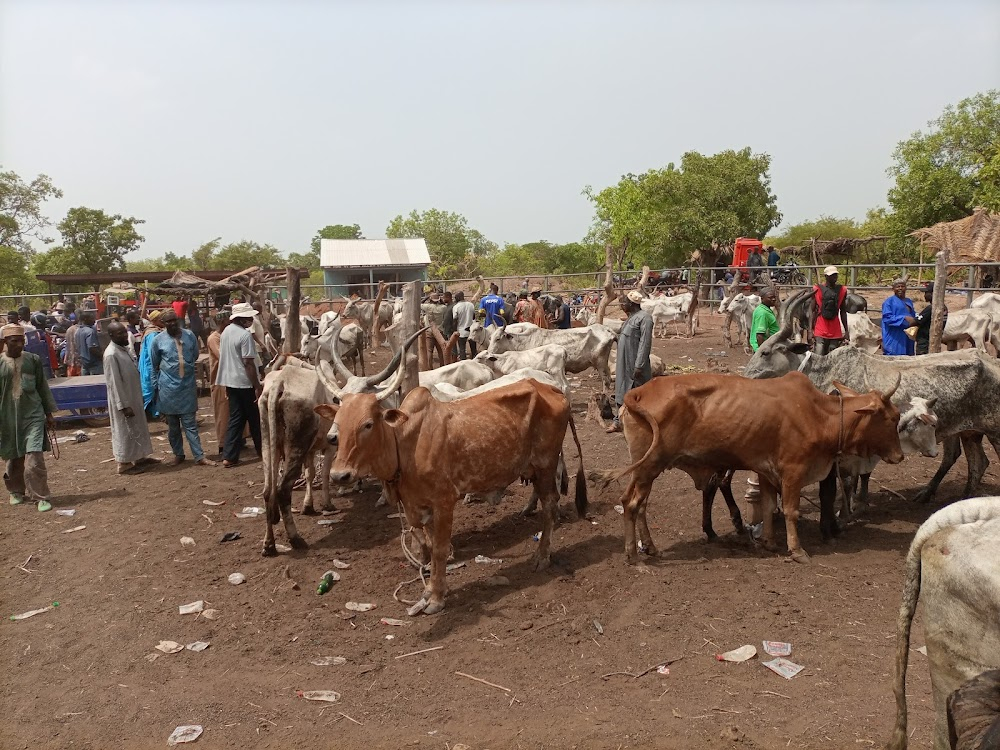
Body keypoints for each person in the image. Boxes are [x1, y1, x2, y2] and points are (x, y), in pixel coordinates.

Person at [0, 324, 57, 512]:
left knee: (35, 458)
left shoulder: (33, 360)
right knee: (13, 456)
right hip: (7, 416)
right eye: (14, 341)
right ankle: (16, 491)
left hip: (32, 413)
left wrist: (48, 413)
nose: (19, 344)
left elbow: (42, 387)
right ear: (5, 342)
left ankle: (40, 496)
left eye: (21, 340)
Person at [149, 310, 216, 467]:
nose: (172, 324)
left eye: (174, 320)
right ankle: (178, 454)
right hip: (167, 388)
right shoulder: (158, 341)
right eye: (168, 322)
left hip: (187, 387)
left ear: (178, 320)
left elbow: (193, 356)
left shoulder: (190, 336)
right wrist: (155, 388)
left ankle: (199, 456)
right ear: (163, 324)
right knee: (173, 427)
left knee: (190, 424)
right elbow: (154, 365)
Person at [103, 321, 158, 475]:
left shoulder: (123, 349)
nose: (124, 335)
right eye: (119, 333)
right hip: (124, 400)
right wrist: (123, 405)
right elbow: (114, 383)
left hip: (133, 396)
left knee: (138, 427)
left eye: (124, 331)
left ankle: (140, 457)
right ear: (112, 336)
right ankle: (124, 463)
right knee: (125, 431)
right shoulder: (111, 354)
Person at [217, 302, 263, 468]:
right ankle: (263, 451)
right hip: (244, 383)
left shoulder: (225, 332)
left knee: (236, 419)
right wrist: (257, 386)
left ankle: (229, 456)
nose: (251, 319)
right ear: (242, 319)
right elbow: (249, 364)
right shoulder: (244, 336)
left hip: (230, 382)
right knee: (255, 419)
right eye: (249, 317)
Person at [607, 290, 653, 434]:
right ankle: (618, 421)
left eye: (625, 303)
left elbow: (645, 343)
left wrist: (639, 364)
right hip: (623, 361)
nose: (622, 305)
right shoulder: (630, 318)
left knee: (639, 391)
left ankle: (643, 422)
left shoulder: (645, 318)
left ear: (632, 304)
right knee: (621, 388)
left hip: (634, 362)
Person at [812, 266, 850, 354]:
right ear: (826, 276)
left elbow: (843, 311)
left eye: (835, 275)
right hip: (820, 328)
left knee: (832, 357)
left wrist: (846, 331)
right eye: (832, 275)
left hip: (835, 329)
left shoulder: (842, 290)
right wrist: (810, 330)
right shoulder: (817, 289)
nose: (834, 277)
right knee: (818, 356)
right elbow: (812, 310)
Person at [882, 278, 917, 356]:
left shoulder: (909, 301)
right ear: (893, 289)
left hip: (907, 334)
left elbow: (913, 314)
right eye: (898, 287)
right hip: (894, 335)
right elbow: (887, 318)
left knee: (908, 357)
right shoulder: (889, 302)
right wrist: (903, 318)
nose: (900, 288)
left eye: (902, 286)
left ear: (906, 288)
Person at [139, 310, 164, 416]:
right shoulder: (152, 334)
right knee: (151, 389)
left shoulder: (152, 331)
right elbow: (152, 354)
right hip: (150, 366)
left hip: (149, 365)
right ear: (156, 320)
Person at [913, 282, 948, 356]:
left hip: (925, 341)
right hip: (935, 340)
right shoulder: (943, 307)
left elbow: (916, 321)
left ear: (933, 293)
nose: (925, 295)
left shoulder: (931, 308)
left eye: (927, 292)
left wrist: (906, 319)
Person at [452, 291, 476, 360]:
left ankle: (463, 363)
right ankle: (475, 362)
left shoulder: (456, 307)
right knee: (473, 349)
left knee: (462, 350)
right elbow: (473, 317)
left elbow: (455, 320)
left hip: (461, 331)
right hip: (471, 331)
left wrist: (454, 331)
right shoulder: (471, 305)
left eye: (455, 297)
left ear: (458, 298)